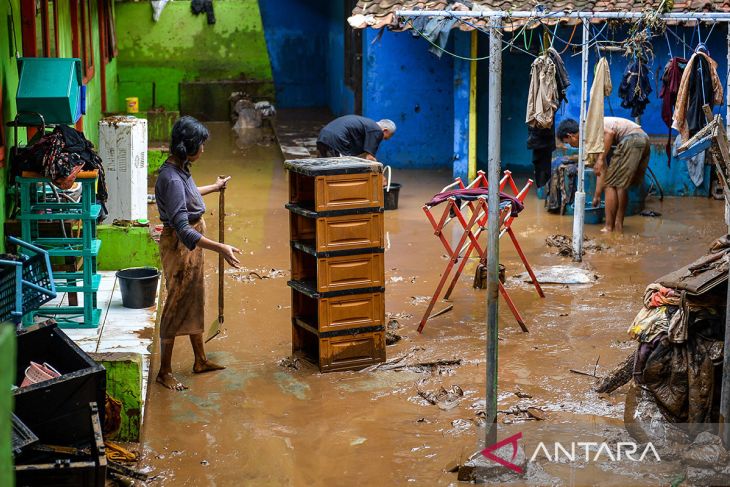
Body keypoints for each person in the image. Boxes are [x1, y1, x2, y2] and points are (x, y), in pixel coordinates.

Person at [154, 116, 242, 391]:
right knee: (176, 303)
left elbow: (188, 194)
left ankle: (200, 360)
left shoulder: (181, 169)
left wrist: (214, 188)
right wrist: (221, 247)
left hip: (191, 244)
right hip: (180, 246)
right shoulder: (170, 179)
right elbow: (183, 230)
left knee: (194, 298)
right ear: (188, 147)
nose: (204, 149)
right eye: (201, 145)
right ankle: (164, 371)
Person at [557, 117, 650, 234]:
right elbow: (603, 170)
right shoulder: (592, 139)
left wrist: (600, 159)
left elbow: (610, 133)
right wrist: (597, 196)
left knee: (612, 184)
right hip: (642, 139)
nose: (570, 145)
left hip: (632, 139)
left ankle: (610, 227)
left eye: (567, 142)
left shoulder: (588, 128)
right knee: (619, 184)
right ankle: (618, 225)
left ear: (571, 136)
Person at [316, 115, 396, 160]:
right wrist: (380, 175)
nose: (382, 139)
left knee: (323, 168)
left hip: (323, 136)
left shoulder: (367, 125)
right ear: (385, 130)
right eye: (385, 137)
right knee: (346, 168)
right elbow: (369, 157)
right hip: (337, 139)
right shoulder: (377, 130)